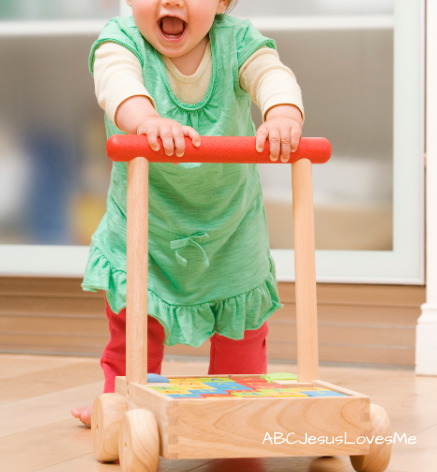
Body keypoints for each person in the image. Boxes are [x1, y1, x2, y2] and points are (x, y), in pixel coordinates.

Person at [72, 0, 304, 427]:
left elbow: (271, 74)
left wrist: (282, 114)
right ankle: (120, 399)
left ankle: (237, 407)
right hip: (148, 223)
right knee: (135, 327)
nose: (170, 1)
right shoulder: (120, 41)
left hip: (228, 225)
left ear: (222, 2)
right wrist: (144, 119)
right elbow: (116, 83)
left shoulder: (238, 43)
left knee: (242, 331)